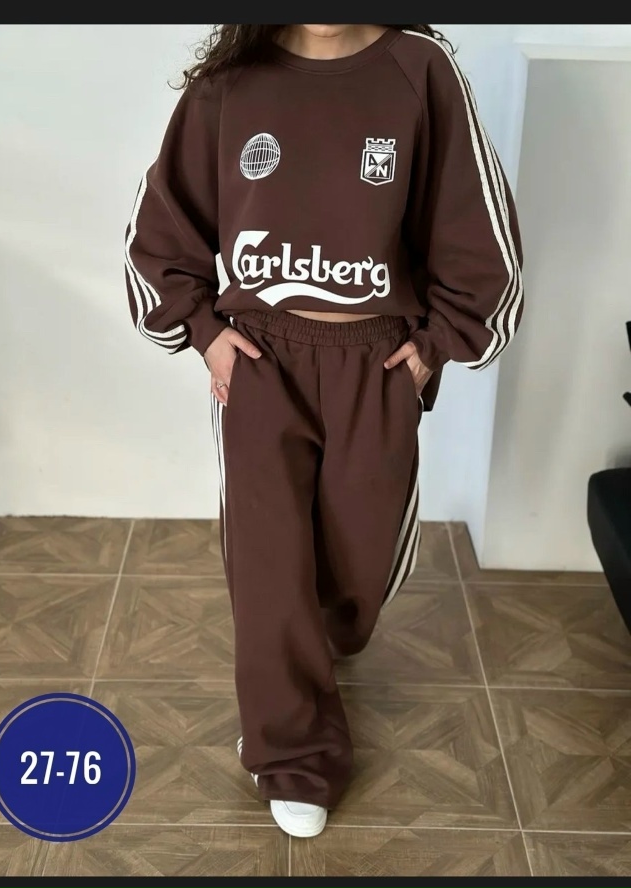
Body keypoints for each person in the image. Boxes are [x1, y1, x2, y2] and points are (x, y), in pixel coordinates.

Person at [124, 23, 523, 838]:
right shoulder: (230, 82)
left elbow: (474, 225)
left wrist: (434, 348)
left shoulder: (420, 70)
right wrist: (203, 331)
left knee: (356, 566)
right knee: (271, 563)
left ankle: (312, 653)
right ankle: (291, 748)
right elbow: (162, 228)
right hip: (261, 358)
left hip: (375, 362)